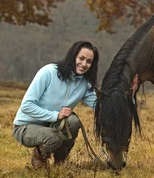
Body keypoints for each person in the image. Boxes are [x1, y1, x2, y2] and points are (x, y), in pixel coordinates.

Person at [12, 41, 99, 169]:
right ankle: (39, 156)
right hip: (25, 126)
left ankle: (60, 162)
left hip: (52, 125)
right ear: (73, 56)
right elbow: (26, 106)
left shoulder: (84, 84)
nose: (84, 64)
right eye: (81, 58)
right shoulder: (49, 72)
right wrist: (55, 115)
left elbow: (101, 106)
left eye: (89, 61)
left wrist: (128, 95)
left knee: (73, 122)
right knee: (53, 137)